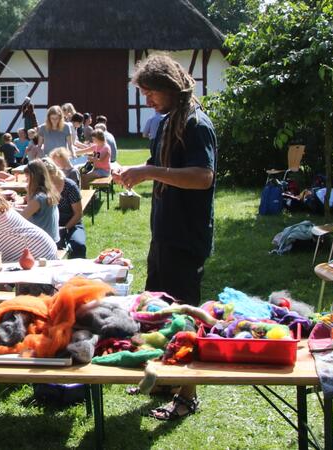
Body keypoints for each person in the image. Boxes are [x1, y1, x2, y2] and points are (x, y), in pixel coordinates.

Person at [114, 53, 217, 421]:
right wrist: (134, 173)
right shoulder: (166, 121)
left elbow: (203, 176)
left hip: (186, 237)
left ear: (169, 88)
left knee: (184, 317)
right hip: (164, 234)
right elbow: (162, 172)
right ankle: (163, 378)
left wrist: (149, 170)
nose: (147, 100)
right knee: (158, 311)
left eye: (150, 92)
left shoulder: (196, 124)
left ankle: (187, 395)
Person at [44, 160, 86, 258]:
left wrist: (65, 228)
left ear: (53, 173)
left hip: (72, 224)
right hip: (50, 225)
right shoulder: (44, 187)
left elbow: (78, 214)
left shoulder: (70, 186)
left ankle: (79, 271)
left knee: (78, 245)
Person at [18, 159, 60, 243]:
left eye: (27, 177)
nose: (26, 180)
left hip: (42, 243)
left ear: (34, 177)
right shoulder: (48, 192)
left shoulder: (38, 198)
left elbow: (19, 220)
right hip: (52, 239)